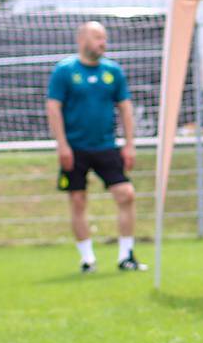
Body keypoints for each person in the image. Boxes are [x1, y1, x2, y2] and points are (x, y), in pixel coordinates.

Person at [45, 21, 145, 273]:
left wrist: (130, 144)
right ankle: (87, 258)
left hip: (106, 147)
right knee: (77, 200)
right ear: (82, 40)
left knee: (126, 194)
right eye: (98, 37)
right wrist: (62, 145)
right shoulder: (65, 71)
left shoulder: (113, 71)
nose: (103, 42)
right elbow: (53, 107)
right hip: (75, 149)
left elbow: (125, 107)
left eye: (104, 37)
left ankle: (126, 255)